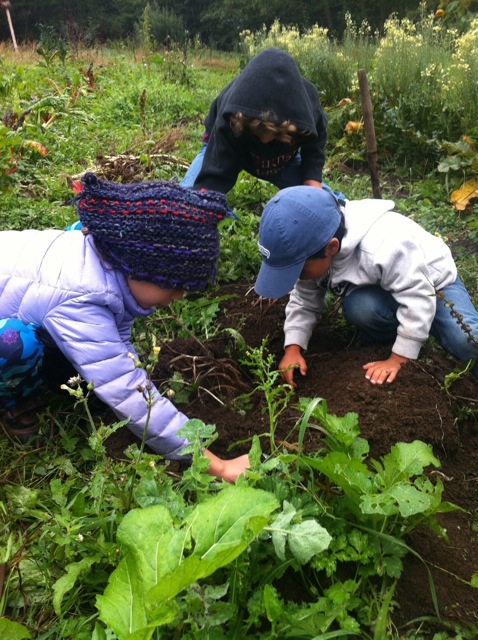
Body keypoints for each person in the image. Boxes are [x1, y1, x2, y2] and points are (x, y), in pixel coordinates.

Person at [0, 173, 249, 482]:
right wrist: (218, 465)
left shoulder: (108, 254)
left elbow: (116, 337)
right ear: (142, 268)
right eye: (175, 285)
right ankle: (14, 401)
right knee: (12, 343)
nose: (181, 295)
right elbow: (127, 394)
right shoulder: (84, 295)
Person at [254, 186, 478, 387]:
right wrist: (292, 348)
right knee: (361, 308)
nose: (298, 278)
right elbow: (304, 300)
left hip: (432, 283)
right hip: (383, 287)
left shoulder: (384, 245)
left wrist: (399, 359)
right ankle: (391, 337)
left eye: (299, 271)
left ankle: (417, 335)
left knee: (467, 342)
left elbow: (418, 295)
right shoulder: (314, 248)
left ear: (331, 248)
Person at [180, 47, 338, 198]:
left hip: (281, 162)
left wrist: (312, 181)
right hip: (225, 146)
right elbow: (214, 175)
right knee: (191, 196)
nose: (265, 140)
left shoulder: (306, 110)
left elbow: (315, 145)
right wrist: (201, 203)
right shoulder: (232, 116)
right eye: (259, 133)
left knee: (324, 200)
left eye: (273, 135)